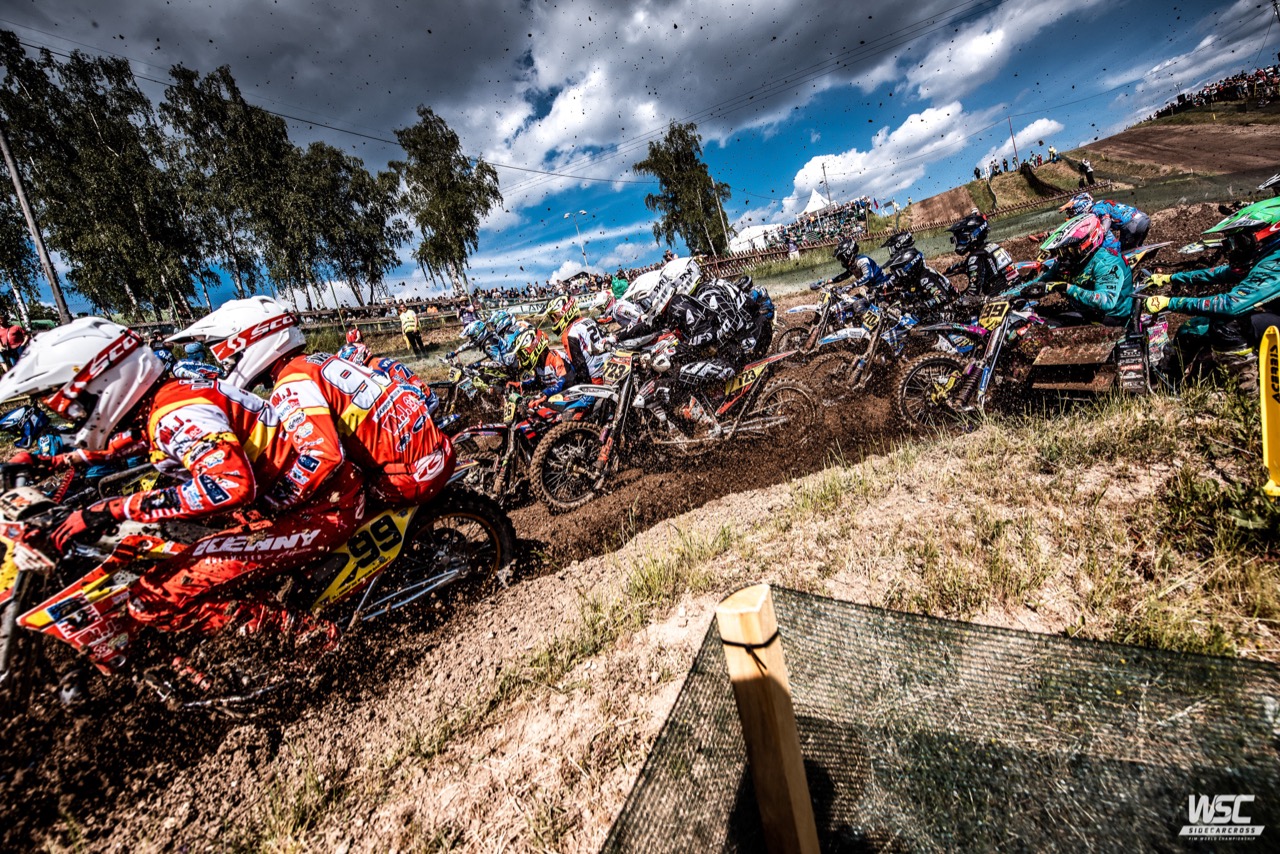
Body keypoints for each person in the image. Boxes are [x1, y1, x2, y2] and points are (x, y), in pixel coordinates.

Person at [0, 317, 361, 662]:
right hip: (300, 502)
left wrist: (113, 509)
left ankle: (319, 641)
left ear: (103, 384)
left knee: (150, 599)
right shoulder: (168, 399)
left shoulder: (179, 414)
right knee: (164, 555)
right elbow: (141, 439)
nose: (76, 417)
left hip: (316, 511)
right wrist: (55, 461)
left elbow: (229, 485)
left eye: (76, 408)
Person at [173, 296, 455, 508]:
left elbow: (323, 457)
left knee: (322, 511)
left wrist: (270, 502)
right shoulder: (315, 362)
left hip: (407, 476)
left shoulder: (292, 383)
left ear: (252, 342)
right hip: (431, 450)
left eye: (230, 356)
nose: (228, 364)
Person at [1144, 197, 1280, 386]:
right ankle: (1169, 385)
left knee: (1225, 325)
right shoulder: (1265, 257)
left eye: (1240, 241)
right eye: (1230, 242)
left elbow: (1230, 305)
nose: (1233, 249)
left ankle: (1246, 392)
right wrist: (1171, 278)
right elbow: (1223, 272)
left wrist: (1170, 302)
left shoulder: (1274, 263)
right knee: (1192, 328)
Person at [1027, 213, 1133, 326]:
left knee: (1047, 326)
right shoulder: (1065, 263)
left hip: (1113, 318)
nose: (1065, 256)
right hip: (1085, 310)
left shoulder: (1106, 264)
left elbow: (1107, 301)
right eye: (1061, 251)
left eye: (1070, 250)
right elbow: (1039, 282)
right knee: (1035, 317)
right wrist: (1016, 294)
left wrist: (1067, 288)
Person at [339, 342, 441, 416]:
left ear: (355, 357)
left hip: (421, 404)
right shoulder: (379, 361)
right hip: (426, 395)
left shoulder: (373, 370)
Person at [946, 212, 1015, 305]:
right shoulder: (992, 246)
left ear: (973, 235)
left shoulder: (975, 257)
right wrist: (948, 271)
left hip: (1000, 299)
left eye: (961, 238)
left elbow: (973, 293)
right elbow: (967, 264)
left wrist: (954, 304)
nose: (958, 243)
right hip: (1013, 288)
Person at [1059, 192, 1151, 251]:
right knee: (1135, 250)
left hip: (1131, 225)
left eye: (1072, 212)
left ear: (1081, 206)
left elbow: (1106, 220)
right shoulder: (1099, 204)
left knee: (1119, 253)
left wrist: (1100, 233)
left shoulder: (1094, 210)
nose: (1072, 214)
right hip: (1141, 218)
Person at [545, 296, 607, 383]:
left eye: (554, 317)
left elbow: (579, 365)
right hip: (607, 368)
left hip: (595, 378)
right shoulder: (588, 320)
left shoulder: (569, 333)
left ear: (564, 312)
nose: (554, 321)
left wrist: (585, 385)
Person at [511, 327, 575, 396]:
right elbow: (538, 382)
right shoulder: (538, 364)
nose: (522, 357)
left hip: (573, 393)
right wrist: (521, 385)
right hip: (558, 396)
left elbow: (565, 380)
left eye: (524, 354)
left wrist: (544, 394)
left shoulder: (555, 357)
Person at [818, 237, 891, 293]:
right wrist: (827, 281)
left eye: (842, 258)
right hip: (874, 288)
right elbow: (845, 275)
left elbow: (868, 275)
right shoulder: (853, 264)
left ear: (849, 253)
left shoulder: (862, 260)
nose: (842, 261)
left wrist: (852, 285)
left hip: (884, 284)